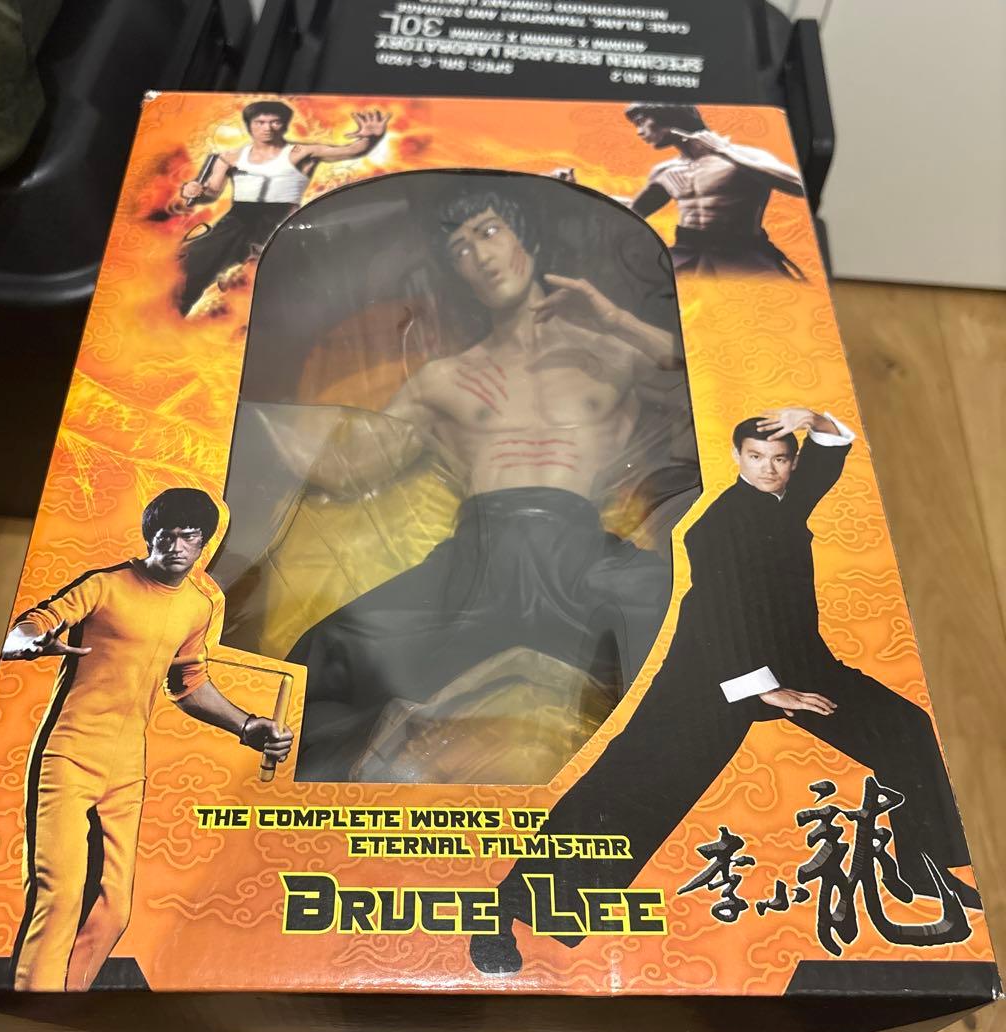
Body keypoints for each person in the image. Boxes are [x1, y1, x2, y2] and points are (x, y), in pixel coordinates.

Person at [470, 407, 978, 974]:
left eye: (780, 459)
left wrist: (811, 416)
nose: (768, 469)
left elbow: (830, 453)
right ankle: (505, 911)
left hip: (800, 664)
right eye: (756, 458)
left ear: (792, 464)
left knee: (906, 728)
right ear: (736, 459)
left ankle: (922, 865)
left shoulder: (785, 499)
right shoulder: (717, 525)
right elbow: (715, 614)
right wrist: (762, 690)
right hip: (710, 673)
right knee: (632, 783)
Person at [281, 183, 696, 781]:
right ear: (456, 273)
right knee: (328, 656)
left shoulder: (611, 352)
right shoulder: (444, 377)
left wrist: (617, 319)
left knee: (706, 627)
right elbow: (347, 468)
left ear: (526, 237)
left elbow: (711, 396)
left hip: (582, 556)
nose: (478, 255)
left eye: (488, 231)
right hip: (477, 559)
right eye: (459, 249)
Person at [3, 488, 293, 991]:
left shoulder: (198, 606)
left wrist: (248, 727)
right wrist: (30, 641)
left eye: (189, 536)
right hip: (67, 754)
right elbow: (27, 627)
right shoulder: (104, 585)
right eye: (167, 536)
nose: (177, 546)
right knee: (60, 897)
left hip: (126, 769)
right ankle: (36, 1008)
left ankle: (64, 1005)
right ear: (150, 537)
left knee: (114, 910)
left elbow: (189, 684)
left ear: (202, 543)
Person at [176, 101, 390, 315]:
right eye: (260, 122)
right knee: (192, 269)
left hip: (280, 221)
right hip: (237, 220)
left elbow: (351, 151)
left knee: (280, 283)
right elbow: (212, 191)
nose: (267, 127)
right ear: (250, 124)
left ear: (284, 125)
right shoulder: (230, 157)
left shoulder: (301, 152)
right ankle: (173, 316)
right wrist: (195, 190)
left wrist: (369, 138)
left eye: (274, 122)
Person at [624, 103, 805, 278]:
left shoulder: (746, 156)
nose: (639, 132)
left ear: (669, 117)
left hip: (743, 255)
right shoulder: (665, 171)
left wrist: (725, 151)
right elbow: (635, 213)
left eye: (641, 122)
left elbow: (798, 186)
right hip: (686, 252)